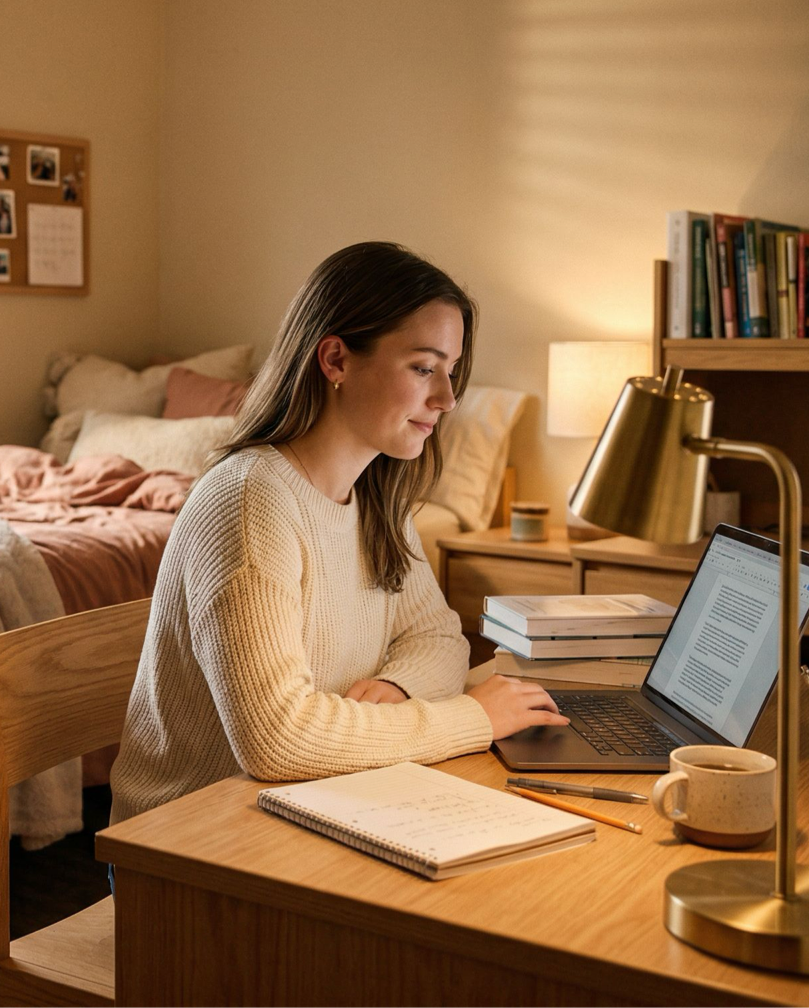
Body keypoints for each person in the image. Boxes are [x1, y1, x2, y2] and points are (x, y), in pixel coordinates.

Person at [109, 241, 568, 828]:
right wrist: (474, 719)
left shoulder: (376, 497)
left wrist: (399, 688)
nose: (447, 399)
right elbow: (280, 740)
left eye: (450, 372)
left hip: (315, 806)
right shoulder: (250, 504)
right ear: (336, 359)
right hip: (196, 844)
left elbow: (440, 640)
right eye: (424, 368)